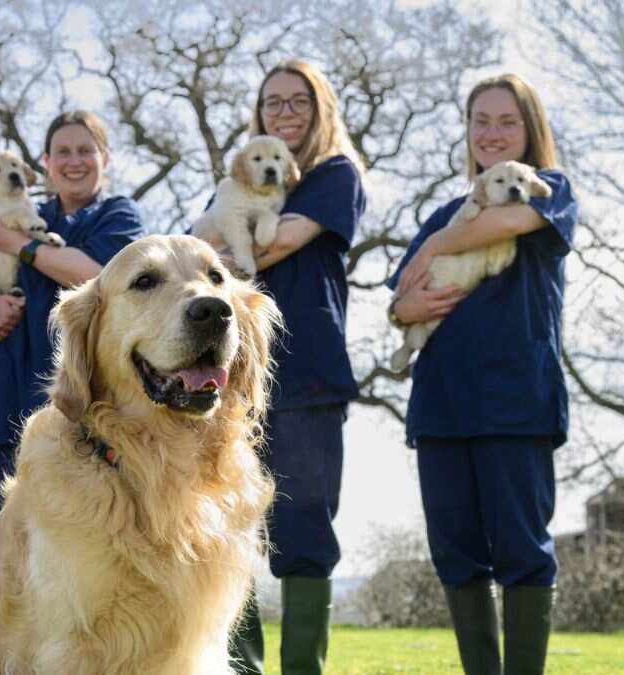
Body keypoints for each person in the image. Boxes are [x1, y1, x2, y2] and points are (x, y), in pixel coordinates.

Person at [387, 73, 578, 675]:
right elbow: (401, 297)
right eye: (481, 121)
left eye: (507, 121)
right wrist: (402, 308)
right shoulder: (444, 212)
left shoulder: (548, 190)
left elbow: (505, 224)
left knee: (523, 553)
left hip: (517, 399)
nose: (492, 133)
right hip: (442, 405)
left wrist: (433, 250)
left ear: (530, 130)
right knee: (456, 556)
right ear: (467, 131)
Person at [209, 58, 367, 675]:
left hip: (308, 369)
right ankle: (235, 668)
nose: (285, 112)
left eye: (297, 101)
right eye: (273, 103)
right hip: (227, 376)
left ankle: (304, 667)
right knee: (227, 523)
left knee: (304, 524)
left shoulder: (334, 175)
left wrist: (230, 245)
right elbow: (204, 250)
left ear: (320, 107)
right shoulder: (238, 179)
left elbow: (270, 243)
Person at [0, 110, 144, 539]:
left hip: (75, 402)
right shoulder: (14, 208)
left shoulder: (118, 216)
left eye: (85, 150)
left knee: (75, 541)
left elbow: (95, 275)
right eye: (62, 152)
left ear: (104, 158)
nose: (74, 161)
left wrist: (18, 245)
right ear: (46, 163)